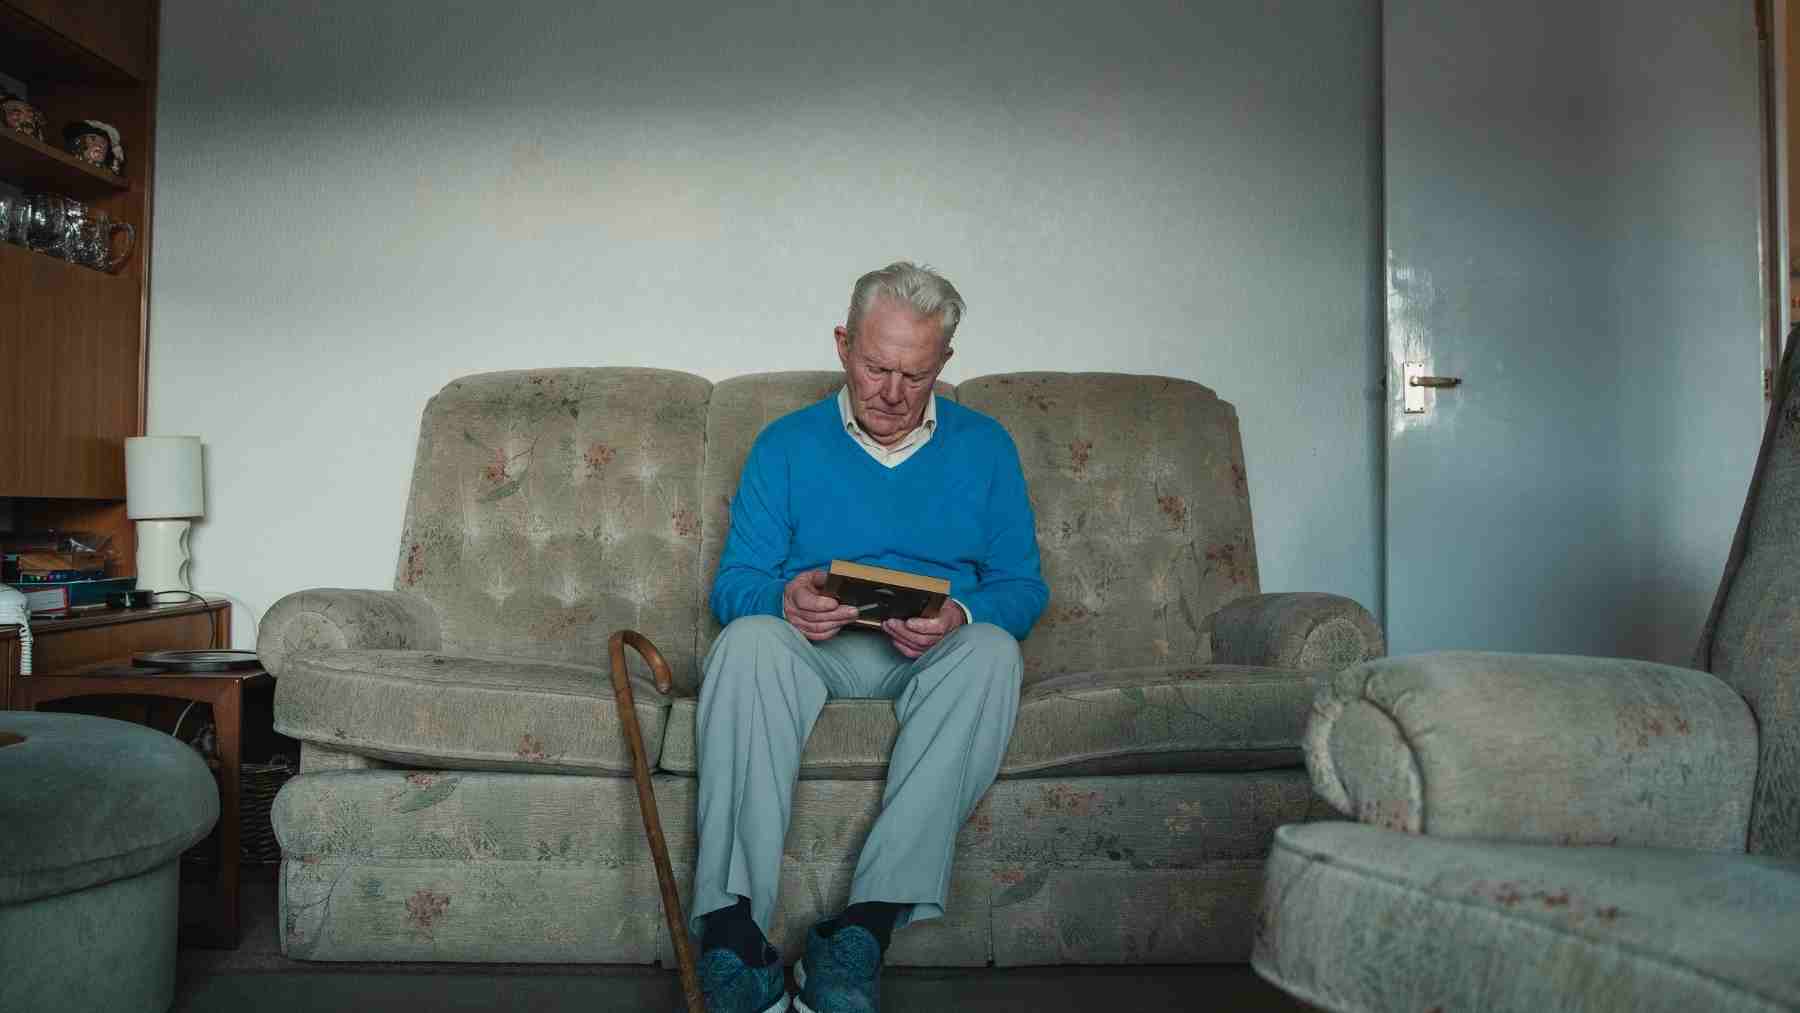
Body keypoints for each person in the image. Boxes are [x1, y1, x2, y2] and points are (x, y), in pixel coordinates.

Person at [688, 262, 1049, 1013]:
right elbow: (735, 582)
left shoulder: (986, 446)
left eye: (915, 375)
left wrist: (961, 615)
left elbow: (1022, 585)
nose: (892, 392)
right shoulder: (785, 444)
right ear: (843, 345)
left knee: (993, 650)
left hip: (932, 654)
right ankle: (732, 938)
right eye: (877, 367)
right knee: (746, 642)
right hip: (812, 648)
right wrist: (783, 601)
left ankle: (860, 933)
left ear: (944, 361)